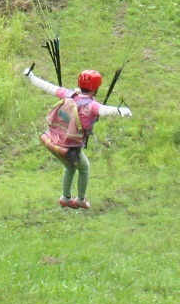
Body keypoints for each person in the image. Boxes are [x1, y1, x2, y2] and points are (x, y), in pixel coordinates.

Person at [22, 66, 130, 210]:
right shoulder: (91, 106)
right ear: (95, 89)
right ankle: (80, 199)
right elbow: (103, 110)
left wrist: (31, 77)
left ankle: (65, 198)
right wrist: (121, 111)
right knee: (84, 168)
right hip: (69, 147)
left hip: (52, 141)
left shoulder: (68, 95)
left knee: (70, 167)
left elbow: (49, 87)